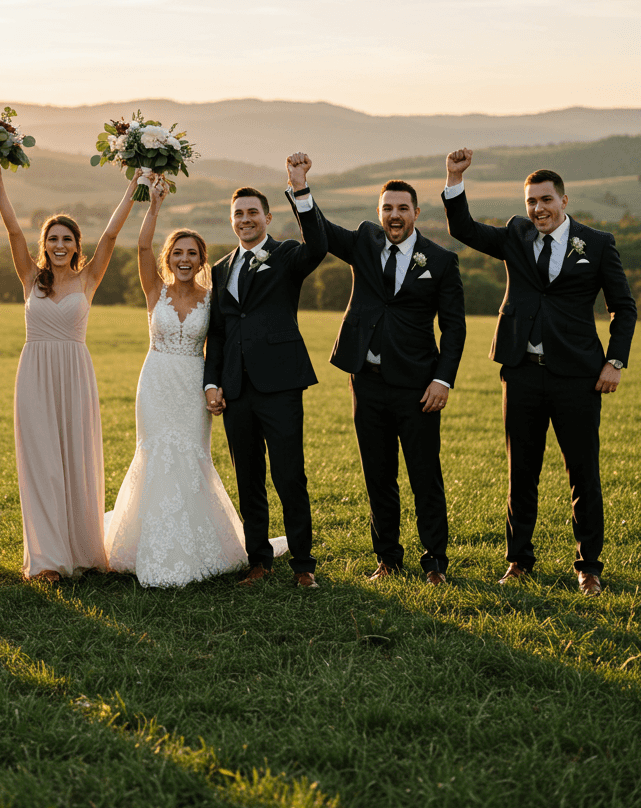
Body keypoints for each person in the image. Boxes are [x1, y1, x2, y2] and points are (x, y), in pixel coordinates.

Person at [443, 149, 637, 595]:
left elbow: (623, 309)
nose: (538, 209)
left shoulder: (599, 243)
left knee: (583, 473)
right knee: (521, 471)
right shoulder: (515, 234)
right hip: (522, 372)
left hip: (578, 376)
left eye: (546, 200)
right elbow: (463, 229)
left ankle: (588, 567)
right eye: (531, 201)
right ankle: (519, 561)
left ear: (564, 201)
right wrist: (454, 178)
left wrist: (615, 360)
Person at [288, 180, 466, 586]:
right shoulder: (365, 242)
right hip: (365, 383)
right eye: (387, 208)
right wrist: (301, 189)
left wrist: (442, 380)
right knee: (377, 475)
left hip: (418, 387)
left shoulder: (440, 261)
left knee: (425, 476)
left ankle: (435, 563)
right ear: (380, 211)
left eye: (403, 208)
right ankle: (387, 559)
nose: (394, 215)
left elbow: (454, 328)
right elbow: (323, 231)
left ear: (416, 213)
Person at [105, 179, 271, 585]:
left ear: (201, 261)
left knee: (191, 457)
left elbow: (220, 346)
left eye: (191, 254)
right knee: (154, 454)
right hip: (156, 381)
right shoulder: (154, 291)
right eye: (177, 253)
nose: (184, 259)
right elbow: (141, 247)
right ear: (168, 259)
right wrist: (154, 206)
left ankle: (197, 547)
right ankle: (148, 545)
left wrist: (217, 387)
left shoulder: (212, 298)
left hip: (193, 385)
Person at [0, 160, 140, 583]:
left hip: (75, 375)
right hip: (34, 375)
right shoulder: (29, 278)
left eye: (67, 239)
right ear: (45, 245)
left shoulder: (88, 278)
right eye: (53, 239)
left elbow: (111, 234)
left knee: (77, 459)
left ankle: (83, 551)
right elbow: (13, 231)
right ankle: (48, 559)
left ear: (77, 245)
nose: (59, 245)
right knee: (41, 464)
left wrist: (134, 185)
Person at [203, 153, 327, 589]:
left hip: (279, 383)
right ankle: (259, 562)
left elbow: (320, 244)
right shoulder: (219, 270)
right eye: (238, 214)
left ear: (268, 217)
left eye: (253, 212)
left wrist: (300, 188)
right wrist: (212, 382)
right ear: (231, 220)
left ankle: (304, 566)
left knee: (289, 474)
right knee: (248, 476)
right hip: (236, 388)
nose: (245, 219)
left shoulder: (288, 255)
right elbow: (217, 332)